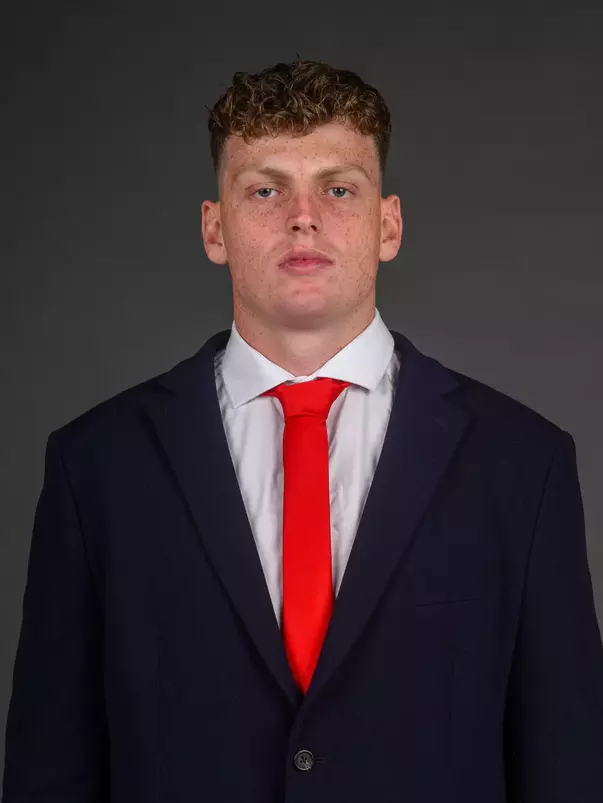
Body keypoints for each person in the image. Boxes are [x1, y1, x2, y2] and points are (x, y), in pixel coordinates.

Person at [3, 57, 603, 803]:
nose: (303, 216)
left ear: (387, 224)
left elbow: (566, 766)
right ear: (213, 227)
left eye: (338, 188)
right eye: (264, 188)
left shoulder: (523, 464)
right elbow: (49, 769)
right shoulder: (94, 466)